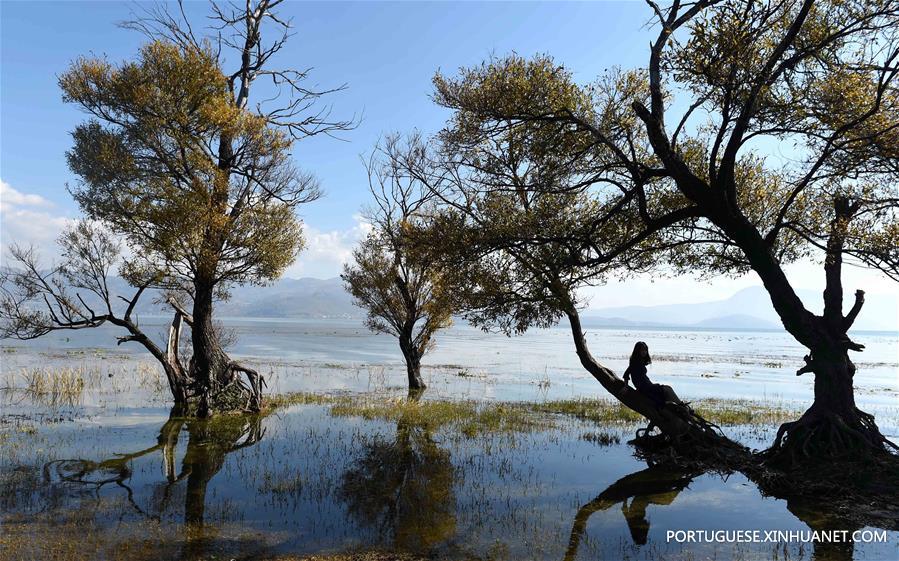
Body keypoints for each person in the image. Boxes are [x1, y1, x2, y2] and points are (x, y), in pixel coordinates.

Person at [623, 342, 682, 408]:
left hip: (647, 386)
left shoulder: (638, 361)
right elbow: (626, 374)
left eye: (645, 350)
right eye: (642, 350)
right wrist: (626, 386)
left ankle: (679, 405)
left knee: (667, 389)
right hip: (646, 388)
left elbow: (630, 375)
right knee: (667, 389)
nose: (644, 352)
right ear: (637, 351)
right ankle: (680, 405)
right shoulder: (635, 362)